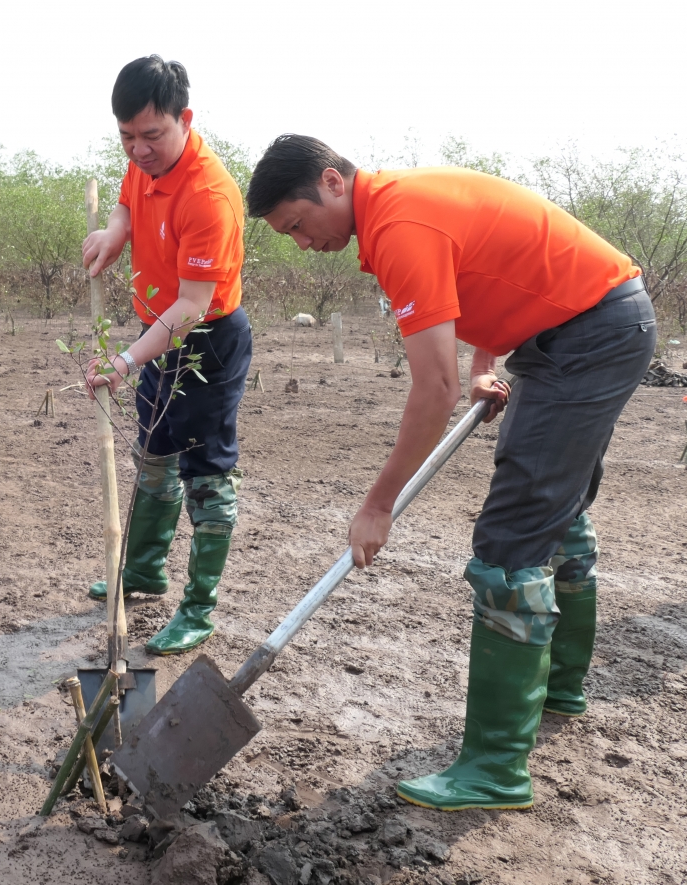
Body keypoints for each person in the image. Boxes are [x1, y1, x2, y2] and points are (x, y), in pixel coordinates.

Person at [246, 135, 653, 811]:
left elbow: (429, 389)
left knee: (509, 542)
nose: (301, 242)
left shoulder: (400, 224)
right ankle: (559, 687)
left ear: (332, 182)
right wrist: (482, 365)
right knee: (556, 509)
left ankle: (496, 770)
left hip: (588, 336)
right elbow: (487, 271)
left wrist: (378, 505)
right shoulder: (403, 206)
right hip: (583, 327)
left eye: (297, 224)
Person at [80, 55, 252, 655]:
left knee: (205, 474)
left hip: (206, 341)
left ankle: (198, 608)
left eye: (152, 135)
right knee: (153, 455)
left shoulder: (210, 195)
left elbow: (192, 306)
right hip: (158, 332)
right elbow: (129, 197)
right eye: (126, 136)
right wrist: (115, 233)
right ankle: (144, 573)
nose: (139, 149)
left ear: (185, 119)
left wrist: (125, 361)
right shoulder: (140, 164)